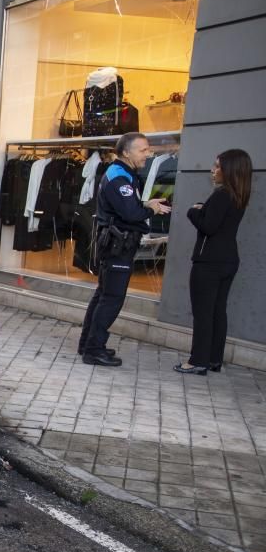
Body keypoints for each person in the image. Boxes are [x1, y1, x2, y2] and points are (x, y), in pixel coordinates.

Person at [78, 132, 171, 366]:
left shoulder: (122, 173)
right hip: (117, 246)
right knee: (111, 298)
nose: (148, 155)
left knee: (103, 295)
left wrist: (145, 204)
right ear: (126, 152)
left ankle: (88, 344)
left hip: (116, 244)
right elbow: (130, 214)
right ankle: (93, 349)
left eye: (149, 150)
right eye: (143, 150)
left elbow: (126, 206)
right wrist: (150, 210)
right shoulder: (119, 176)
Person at [175, 149, 253, 375]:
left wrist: (192, 211)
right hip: (228, 260)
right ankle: (213, 359)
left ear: (229, 170)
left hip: (209, 262)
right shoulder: (239, 194)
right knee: (218, 311)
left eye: (218, 166)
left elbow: (209, 226)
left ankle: (197, 361)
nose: (213, 170)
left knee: (203, 313)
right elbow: (217, 220)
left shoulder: (222, 194)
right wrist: (204, 209)